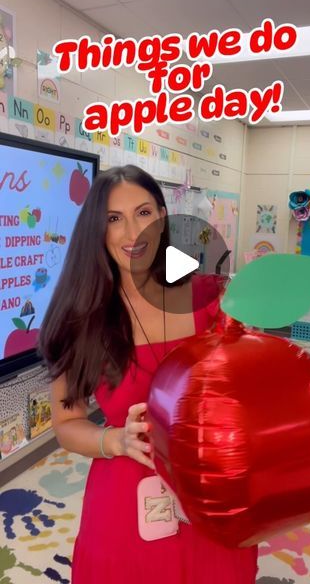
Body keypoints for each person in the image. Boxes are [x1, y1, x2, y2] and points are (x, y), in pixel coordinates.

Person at [39, 165, 258, 584]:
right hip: (125, 499)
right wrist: (114, 439)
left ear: (162, 215)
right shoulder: (82, 315)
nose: (131, 234)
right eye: (113, 219)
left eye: (143, 213)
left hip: (209, 493)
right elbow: (67, 424)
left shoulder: (207, 295)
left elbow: (243, 394)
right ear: (97, 231)